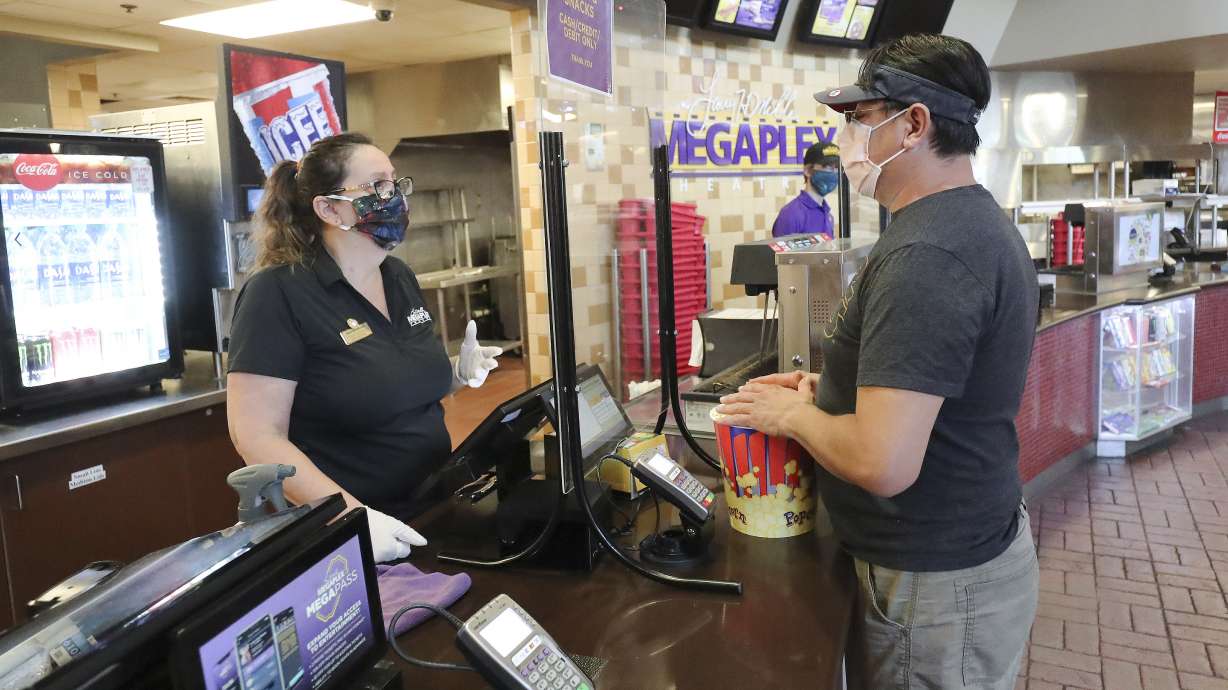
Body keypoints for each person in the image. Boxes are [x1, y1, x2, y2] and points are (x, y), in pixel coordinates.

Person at [717, 35, 1039, 689]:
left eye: (861, 119)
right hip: (962, 561)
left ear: (914, 124)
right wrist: (828, 392)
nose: (846, 140)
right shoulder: (968, 224)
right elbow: (930, 391)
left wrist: (791, 416)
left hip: (937, 586)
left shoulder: (929, 254)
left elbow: (882, 462)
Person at [226, 133, 503, 563]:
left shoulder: (397, 276)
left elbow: (390, 383)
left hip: (435, 507)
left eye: (395, 183)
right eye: (377, 186)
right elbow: (257, 436)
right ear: (329, 208)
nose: (394, 197)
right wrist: (352, 518)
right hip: (353, 535)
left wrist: (455, 374)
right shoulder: (278, 294)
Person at [771, 142, 839, 238]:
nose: (834, 173)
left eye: (837, 168)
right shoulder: (791, 214)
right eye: (828, 167)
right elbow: (781, 252)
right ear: (808, 171)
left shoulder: (827, 213)